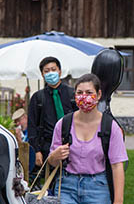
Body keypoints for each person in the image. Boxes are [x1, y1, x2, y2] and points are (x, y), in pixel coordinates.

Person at [48, 73, 128, 204]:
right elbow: (52, 162)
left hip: (98, 188)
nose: (84, 97)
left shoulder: (110, 127)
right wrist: (55, 156)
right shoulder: (63, 124)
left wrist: (118, 200)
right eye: (79, 92)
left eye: (89, 92)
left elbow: (117, 166)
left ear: (99, 95)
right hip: (66, 187)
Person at [28, 56, 78, 167]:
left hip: (73, 145)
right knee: (51, 180)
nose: (51, 73)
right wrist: (36, 151)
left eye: (53, 69)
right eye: (46, 71)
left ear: (60, 71)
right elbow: (32, 126)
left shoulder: (72, 94)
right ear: (42, 75)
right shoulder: (38, 98)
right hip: (47, 146)